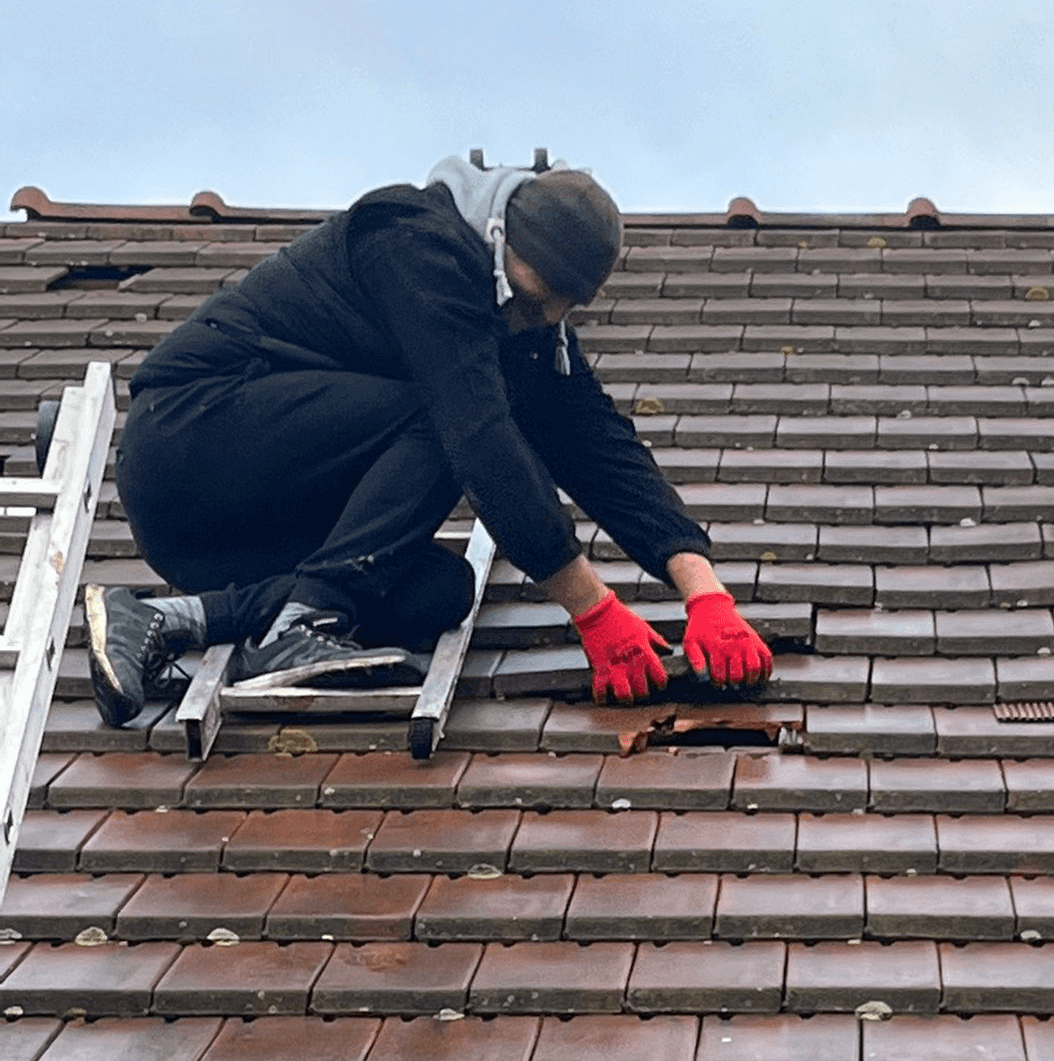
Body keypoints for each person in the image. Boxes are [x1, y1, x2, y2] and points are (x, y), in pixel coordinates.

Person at [84, 148, 773, 727]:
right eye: (533, 302)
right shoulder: (416, 242)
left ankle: (169, 619)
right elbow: (476, 433)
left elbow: (598, 446)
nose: (535, 322)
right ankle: (297, 626)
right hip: (190, 444)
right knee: (447, 414)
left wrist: (703, 591)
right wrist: (595, 612)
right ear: (500, 244)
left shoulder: (518, 319)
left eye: (557, 312)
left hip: (239, 531)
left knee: (439, 591)